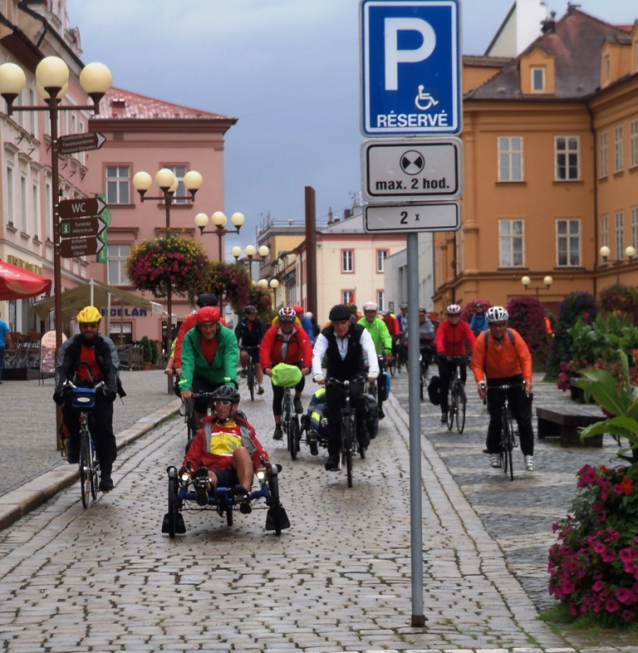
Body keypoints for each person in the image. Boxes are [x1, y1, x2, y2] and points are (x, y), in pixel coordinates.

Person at [53, 306, 125, 492]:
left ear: (98, 326)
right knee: (68, 411)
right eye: (85, 326)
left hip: (100, 388)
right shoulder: (70, 345)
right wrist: (60, 389)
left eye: (92, 326)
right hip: (78, 386)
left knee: (104, 428)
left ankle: (106, 474)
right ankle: (75, 442)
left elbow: (111, 368)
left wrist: (111, 388)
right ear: (80, 326)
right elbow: (62, 369)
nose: (88, 330)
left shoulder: (106, 344)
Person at [312, 303, 379, 471]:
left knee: (358, 398)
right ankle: (333, 455)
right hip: (334, 376)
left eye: (343, 323)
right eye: (336, 323)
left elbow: (370, 350)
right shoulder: (325, 335)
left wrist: (373, 371)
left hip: (355, 374)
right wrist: (317, 374)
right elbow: (317, 354)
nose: (340, 327)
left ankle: (362, 431)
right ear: (332, 323)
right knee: (333, 413)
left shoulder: (360, 332)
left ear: (349, 321)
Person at [179, 385, 268, 509]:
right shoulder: (205, 430)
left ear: (235, 406)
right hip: (214, 472)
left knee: (241, 451)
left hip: (237, 473)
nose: (220, 407)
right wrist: (188, 470)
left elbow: (257, 451)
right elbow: (193, 455)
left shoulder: (243, 430)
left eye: (225, 403)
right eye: (217, 403)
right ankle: (203, 490)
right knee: (206, 475)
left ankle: (245, 495)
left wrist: (262, 466)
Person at [470, 306, 535, 471]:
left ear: (506, 324)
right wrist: (480, 383)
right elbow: (476, 364)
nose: (498, 328)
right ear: (489, 325)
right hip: (494, 380)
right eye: (494, 325)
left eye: (501, 324)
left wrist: (527, 379)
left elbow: (525, 357)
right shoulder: (483, 340)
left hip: (515, 377)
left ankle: (528, 455)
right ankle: (494, 451)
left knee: (523, 418)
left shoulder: (514, 336)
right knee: (496, 418)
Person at [178, 306, 239, 427]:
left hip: (222, 377)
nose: (208, 329)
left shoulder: (228, 336)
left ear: (217, 325)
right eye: (204, 326)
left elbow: (230, 361)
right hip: (202, 376)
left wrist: (231, 385)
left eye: (211, 325)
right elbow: (188, 362)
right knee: (200, 401)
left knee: (227, 406)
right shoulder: (190, 338)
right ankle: (202, 431)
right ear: (199, 326)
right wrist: (185, 387)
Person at [260, 307, 313, 440]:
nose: (287, 325)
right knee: (277, 395)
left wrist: (307, 366)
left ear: (294, 322)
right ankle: (278, 425)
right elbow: (265, 348)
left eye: (290, 322)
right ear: (279, 322)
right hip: (277, 364)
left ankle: (297, 398)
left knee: (300, 377)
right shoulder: (273, 332)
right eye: (284, 322)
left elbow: (306, 348)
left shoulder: (299, 332)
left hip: (294, 361)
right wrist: (266, 367)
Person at [434, 304, 476, 424]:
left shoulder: (464, 326)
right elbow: (439, 338)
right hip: (445, 356)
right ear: (448, 316)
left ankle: (460, 388)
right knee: (444, 384)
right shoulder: (443, 326)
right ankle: (444, 412)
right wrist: (440, 351)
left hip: (460, 353)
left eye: (456, 316)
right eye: (451, 316)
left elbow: (471, 338)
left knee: (463, 371)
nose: (454, 318)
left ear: (459, 316)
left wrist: (476, 351)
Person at [167, 293, 220, 377]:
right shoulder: (190, 320)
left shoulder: (220, 322)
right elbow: (181, 341)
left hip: (215, 366)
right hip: (194, 362)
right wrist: (178, 365)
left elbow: (227, 346)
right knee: (185, 386)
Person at [357, 301, 392, 419]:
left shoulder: (380, 324)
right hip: (362, 356)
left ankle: (380, 406)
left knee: (381, 378)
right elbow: (356, 338)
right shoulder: (360, 323)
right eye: (368, 312)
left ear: (376, 313)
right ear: (365, 313)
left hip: (377, 356)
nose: (370, 315)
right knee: (358, 379)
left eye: (373, 312)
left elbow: (386, 336)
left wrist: (388, 350)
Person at [235, 305, 266, 395]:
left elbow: (263, 333)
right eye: (251, 314)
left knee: (258, 365)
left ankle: (260, 386)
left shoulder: (258, 323)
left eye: (254, 314)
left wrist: (262, 343)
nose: (253, 316)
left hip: (256, 346)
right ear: (246, 315)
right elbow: (237, 334)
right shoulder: (241, 323)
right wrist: (236, 342)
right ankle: (245, 369)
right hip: (245, 345)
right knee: (243, 355)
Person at [403, 307, 435, 371]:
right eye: (419, 316)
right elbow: (407, 332)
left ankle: (426, 365)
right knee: (404, 349)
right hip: (415, 342)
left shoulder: (428, 323)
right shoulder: (412, 322)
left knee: (428, 353)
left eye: (422, 316)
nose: (421, 317)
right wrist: (406, 341)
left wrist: (429, 338)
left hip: (425, 342)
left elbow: (431, 333)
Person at [0, 315, 11, 383]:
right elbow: (7, 336)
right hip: (1, 345)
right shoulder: (3, 324)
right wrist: (9, 344)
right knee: (0, 362)